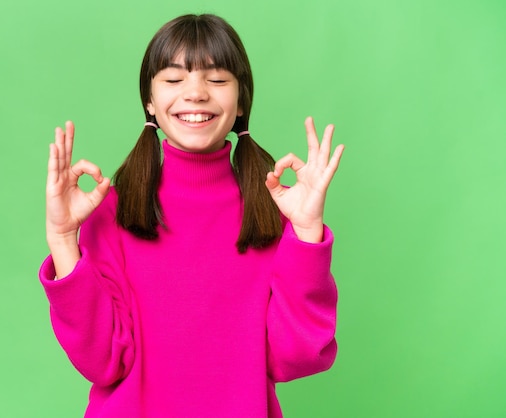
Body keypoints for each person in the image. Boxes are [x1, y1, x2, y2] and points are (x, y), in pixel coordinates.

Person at [40, 13, 344, 418]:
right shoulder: (114, 210)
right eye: (173, 79)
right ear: (149, 99)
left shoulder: (272, 213)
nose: (196, 93)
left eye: (217, 80)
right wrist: (63, 239)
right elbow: (102, 362)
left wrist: (306, 234)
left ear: (240, 102)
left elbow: (294, 357)